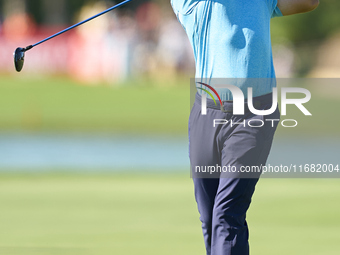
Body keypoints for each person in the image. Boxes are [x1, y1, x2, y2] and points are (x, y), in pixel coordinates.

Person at [170, 0, 319, 254]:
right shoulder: (189, 4)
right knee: (210, 219)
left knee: (227, 215)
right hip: (207, 113)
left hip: (255, 114)